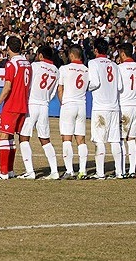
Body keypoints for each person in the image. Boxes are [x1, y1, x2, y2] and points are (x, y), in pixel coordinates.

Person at [0, 35, 32, 180]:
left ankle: (3, 172)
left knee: (3, 136)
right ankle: (10, 171)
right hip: (23, 105)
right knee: (11, 137)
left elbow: (7, 87)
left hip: (12, 104)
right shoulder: (27, 63)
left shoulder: (11, 64)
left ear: (8, 48)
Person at [17, 45, 60, 180]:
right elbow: (53, 92)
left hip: (32, 103)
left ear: (40, 55)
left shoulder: (35, 66)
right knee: (45, 138)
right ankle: (54, 171)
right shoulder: (56, 70)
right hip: (44, 105)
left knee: (24, 137)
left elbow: (27, 83)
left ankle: (30, 171)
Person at [87, 38, 124, 180]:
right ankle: (119, 172)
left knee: (99, 140)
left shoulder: (93, 62)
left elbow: (95, 82)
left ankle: (100, 173)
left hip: (100, 107)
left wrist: (86, 87)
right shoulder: (114, 65)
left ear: (96, 50)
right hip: (114, 106)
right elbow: (120, 87)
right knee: (115, 140)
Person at [57, 44, 89, 180]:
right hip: (81, 105)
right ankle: (83, 170)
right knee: (81, 139)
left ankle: (69, 170)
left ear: (71, 55)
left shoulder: (64, 68)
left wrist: (63, 102)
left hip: (68, 104)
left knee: (66, 138)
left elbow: (60, 89)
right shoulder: (87, 70)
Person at [117, 43, 136, 178]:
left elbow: (118, 86)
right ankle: (132, 170)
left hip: (123, 105)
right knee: (131, 139)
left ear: (122, 53)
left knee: (121, 139)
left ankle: (120, 170)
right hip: (135, 106)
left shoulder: (120, 68)